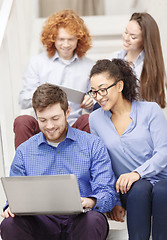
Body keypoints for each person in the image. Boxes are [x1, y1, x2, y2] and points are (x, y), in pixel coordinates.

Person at [0, 83, 118, 240]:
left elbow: (107, 192)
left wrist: (91, 201)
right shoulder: (24, 151)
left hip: (80, 220)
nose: (49, 126)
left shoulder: (92, 144)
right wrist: (10, 207)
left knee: (94, 220)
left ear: (67, 112)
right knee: (9, 224)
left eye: (55, 118)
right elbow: (15, 197)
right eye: (42, 120)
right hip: (40, 222)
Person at [88, 59, 167, 240]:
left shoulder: (150, 110)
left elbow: (164, 152)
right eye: (94, 92)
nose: (98, 97)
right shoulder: (95, 119)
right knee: (140, 188)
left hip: (162, 180)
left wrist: (137, 173)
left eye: (103, 89)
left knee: (162, 191)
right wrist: (114, 200)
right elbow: (101, 163)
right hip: (130, 189)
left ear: (119, 85)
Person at [14, 9, 95, 149]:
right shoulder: (37, 62)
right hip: (44, 127)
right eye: (61, 39)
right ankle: (24, 168)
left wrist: (91, 102)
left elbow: (98, 102)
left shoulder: (89, 66)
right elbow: (23, 100)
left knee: (89, 120)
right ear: (53, 39)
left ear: (79, 39)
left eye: (71, 39)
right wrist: (41, 92)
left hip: (73, 127)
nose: (66, 44)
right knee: (22, 121)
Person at [110, 12, 166, 108]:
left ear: (145, 40)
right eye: (126, 32)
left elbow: (154, 107)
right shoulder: (113, 57)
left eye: (133, 37)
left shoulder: (149, 69)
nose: (126, 38)